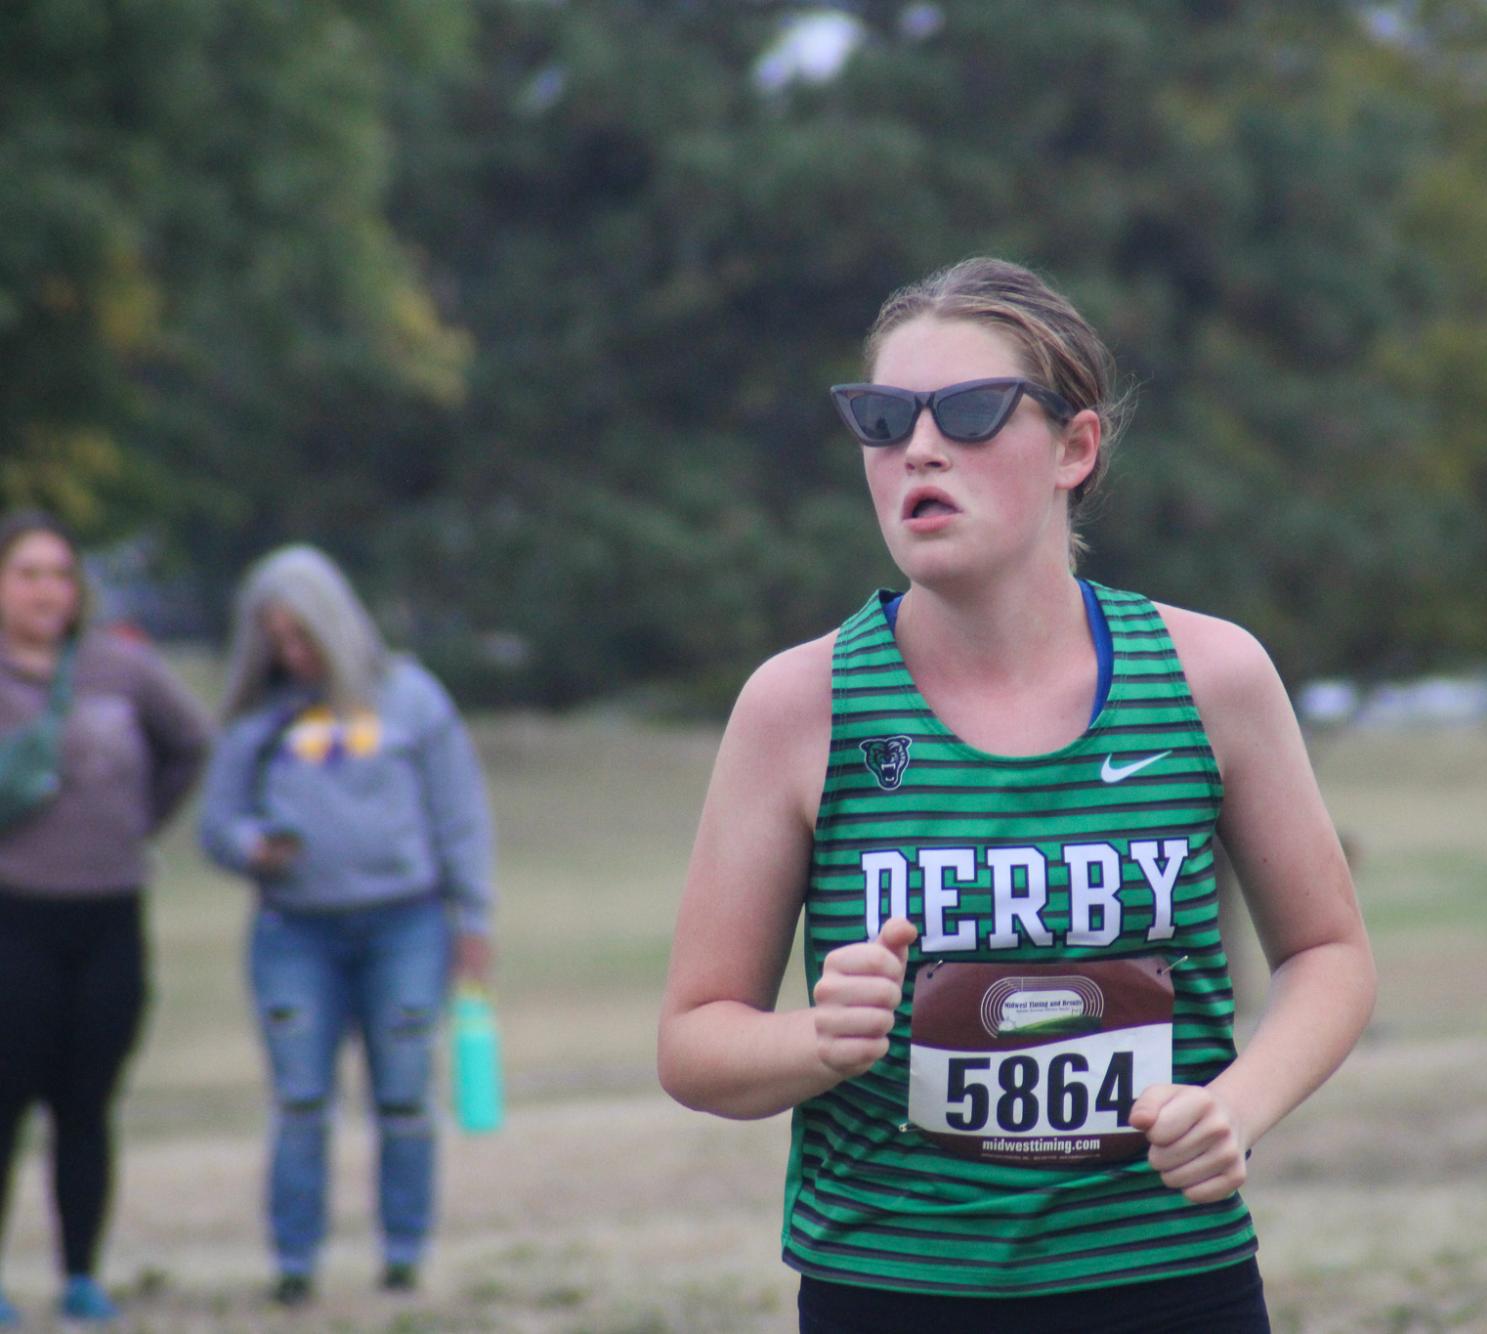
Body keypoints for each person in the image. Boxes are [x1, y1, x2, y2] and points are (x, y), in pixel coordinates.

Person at [656, 258, 1375, 1333]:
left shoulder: (1210, 675)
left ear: (1074, 449)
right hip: (891, 1289)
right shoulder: (798, 704)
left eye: (972, 411)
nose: (921, 449)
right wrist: (815, 1038)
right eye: (885, 418)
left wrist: (1234, 1106)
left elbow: (1330, 952)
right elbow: (694, 1042)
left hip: (1165, 1280)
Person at [197, 546, 494, 1306]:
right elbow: (215, 822)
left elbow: (458, 817)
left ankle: (402, 1253)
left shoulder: (412, 699)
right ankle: (293, 1264)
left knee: (403, 1096)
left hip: (406, 928)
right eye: (276, 641)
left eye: (303, 637)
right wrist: (250, 846)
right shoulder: (258, 715)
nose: (293, 655)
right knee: (299, 1100)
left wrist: (474, 919)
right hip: (293, 934)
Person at [0, 511, 212, 1326]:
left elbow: (192, 743)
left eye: (60, 573)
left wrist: (134, 826)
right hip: (12, 920)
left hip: (109, 917)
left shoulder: (119, 669)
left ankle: (81, 1275)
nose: (48, 590)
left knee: (86, 1104)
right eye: (28, 573)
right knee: (5, 1101)